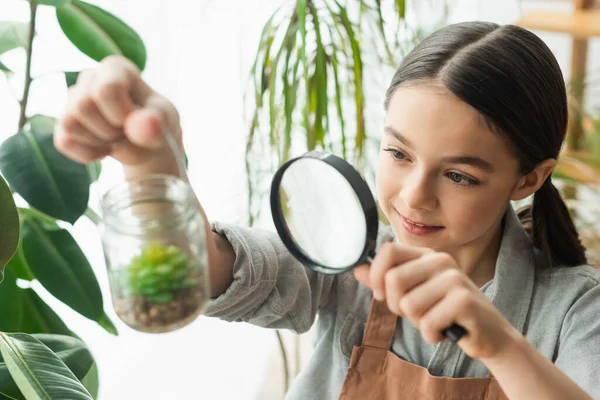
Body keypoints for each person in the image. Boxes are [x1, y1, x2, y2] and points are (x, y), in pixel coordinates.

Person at [55, 20, 599, 399]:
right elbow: (214, 272)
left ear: (528, 178)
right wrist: (151, 162)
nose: (413, 196)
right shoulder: (347, 262)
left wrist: (500, 344)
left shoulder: (577, 311)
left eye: (459, 175)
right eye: (398, 153)